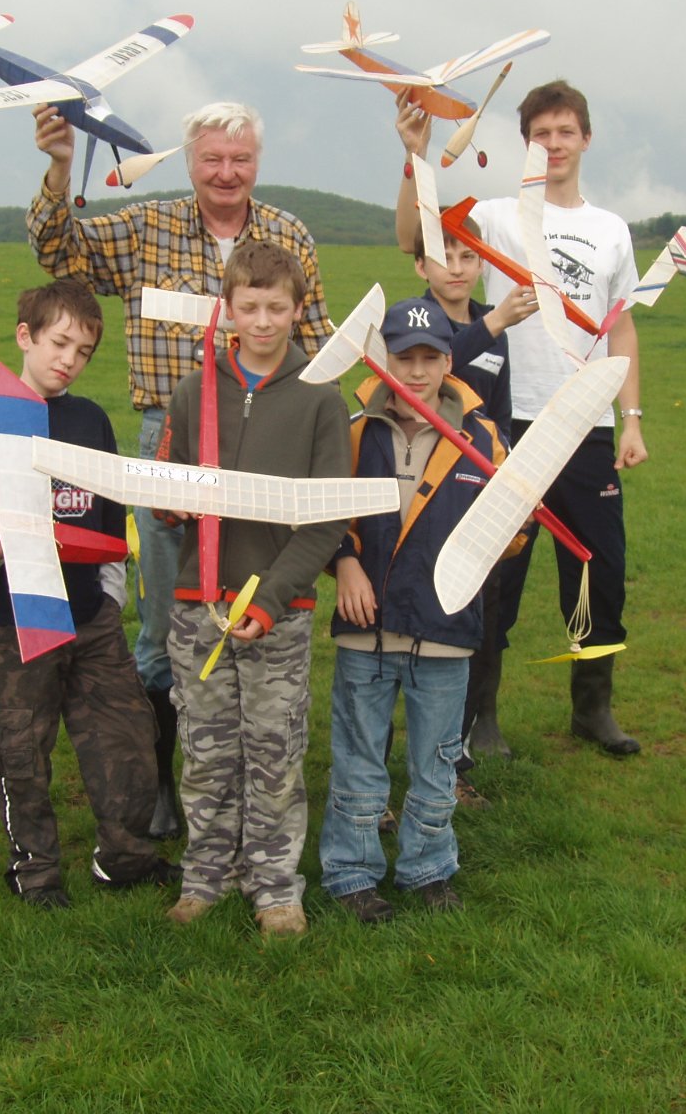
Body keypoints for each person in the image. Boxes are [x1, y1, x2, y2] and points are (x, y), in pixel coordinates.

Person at [27, 100, 335, 842]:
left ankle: (257, 773)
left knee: (259, 602)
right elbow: (60, 252)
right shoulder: (147, 226)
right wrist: (61, 167)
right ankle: (167, 782)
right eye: (212, 159)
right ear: (191, 161)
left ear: (257, 163)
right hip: (172, 440)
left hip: (267, 442)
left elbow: (319, 342)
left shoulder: (289, 235)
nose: (226, 173)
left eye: (240, 159)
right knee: (171, 621)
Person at [394, 80, 648, 757]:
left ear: (586, 138)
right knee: (497, 573)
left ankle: (593, 709)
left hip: (586, 424)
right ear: (525, 143)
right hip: (511, 428)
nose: (554, 145)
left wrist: (631, 418)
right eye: (541, 135)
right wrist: (415, 155)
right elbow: (416, 235)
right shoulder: (498, 217)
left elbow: (621, 330)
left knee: (599, 568)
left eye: (565, 132)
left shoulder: (611, 230)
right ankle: (482, 715)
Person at [0, 279, 179, 908]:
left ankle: (125, 856)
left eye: (82, 352)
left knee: (126, 733)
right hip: (15, 615)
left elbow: (109, 518)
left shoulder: (89, 420)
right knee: (22, 746)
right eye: (58, 344)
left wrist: (108, 597)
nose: (68, 360)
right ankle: (36, 870)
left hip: (90, 614)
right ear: (25, 337)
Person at [156, 241, 351, 938]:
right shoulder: (193, 391)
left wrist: (271, 600)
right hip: (199, 604)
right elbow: (169, 487)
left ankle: (274, 887)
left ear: (298, 310)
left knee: (274, 753)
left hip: (279, 608)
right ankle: (205, 876)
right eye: (249, 307)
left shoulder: (322, 399)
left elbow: (327, 520)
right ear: (228, 309)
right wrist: (171, 503)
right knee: (206, 750)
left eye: (276, 307)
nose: (262, 321)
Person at [320, 298, 523, 923]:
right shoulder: (355, 432)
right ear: (382, 360)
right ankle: (351, 872)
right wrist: (345, 561)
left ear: (448, 362)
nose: (415, 371)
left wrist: (511, 524)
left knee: (436, 762)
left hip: (444, 632)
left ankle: (429, 868)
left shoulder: (483, 439)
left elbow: (512, 531)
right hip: (366, 632)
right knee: (358, 758)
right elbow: (327, 513)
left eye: (430, 358)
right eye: (403, 358)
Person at [407, 221, 533, 802]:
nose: (456, 268)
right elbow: (428, 372)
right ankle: (411, 756)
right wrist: (493, 324)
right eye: (443, 257)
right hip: (427, 492)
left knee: (479, 621)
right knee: (422, 622)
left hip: (481, 494)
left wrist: (509, 481)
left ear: (482, 263)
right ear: (420, 266)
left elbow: (499, 416)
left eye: (467, 256)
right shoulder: (418, 320)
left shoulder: (492, 325)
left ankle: (456, 752)